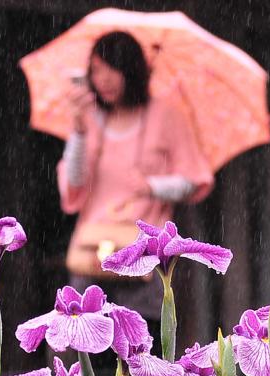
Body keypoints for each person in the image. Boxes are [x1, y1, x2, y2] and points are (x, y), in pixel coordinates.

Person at [57, 31, 213, 321]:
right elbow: (73, 185)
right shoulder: (89, 118)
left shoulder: (166, 115)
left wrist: (152, 186)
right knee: (88, 347)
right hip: (92, 256)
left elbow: (193, 180)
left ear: (132, 69)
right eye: (96, 70)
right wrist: (78, 130)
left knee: (141, 348)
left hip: (144, 256)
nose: (103, 79)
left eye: (112, 68)